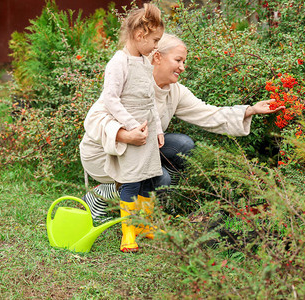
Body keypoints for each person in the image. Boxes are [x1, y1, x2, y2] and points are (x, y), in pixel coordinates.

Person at [79, 33, 284, 251]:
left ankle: (137, 210)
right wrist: (124, 135)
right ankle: (104, 193)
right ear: (157, 57)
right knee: (162, 178)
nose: (183, 67)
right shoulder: (132, 80)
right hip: (103, 153)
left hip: (139, 150)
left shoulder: (174, 92)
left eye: (184, 62)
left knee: (183, 146)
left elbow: (209, 114)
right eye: (178, 60)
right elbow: (94, 120)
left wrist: (251, 109)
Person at [80, 3, 164, 252]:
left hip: (147, 132)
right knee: (131, 181)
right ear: (140, 35)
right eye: (155, 40)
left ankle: (145, 224)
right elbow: (110, 99)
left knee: (149, 178)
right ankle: (128, 231)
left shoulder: (144, 60)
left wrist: (158, 129)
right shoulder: (119, 62)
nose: (156, 46)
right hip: (132, 133)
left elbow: (150, 101)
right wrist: (130, 126)